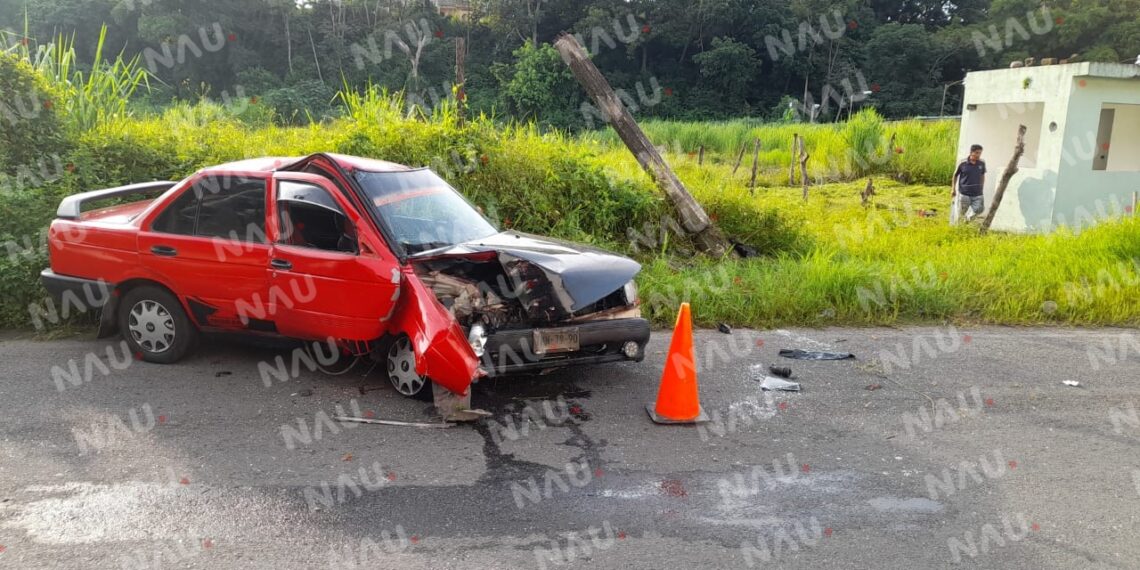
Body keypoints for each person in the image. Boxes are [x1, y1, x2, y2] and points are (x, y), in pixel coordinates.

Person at [952, 144, 986, 222]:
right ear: (971, 152)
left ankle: (967, 220)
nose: (978, 155)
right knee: (961, 213)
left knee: (979, 209)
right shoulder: (962, 163)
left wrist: (981, 187)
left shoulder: (982, 163)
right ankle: (958, 227)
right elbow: (955, 175)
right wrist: (953, 189)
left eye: (980, 153)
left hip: (978, 193)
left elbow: (982, 175)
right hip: (964, 193)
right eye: (977, 153)